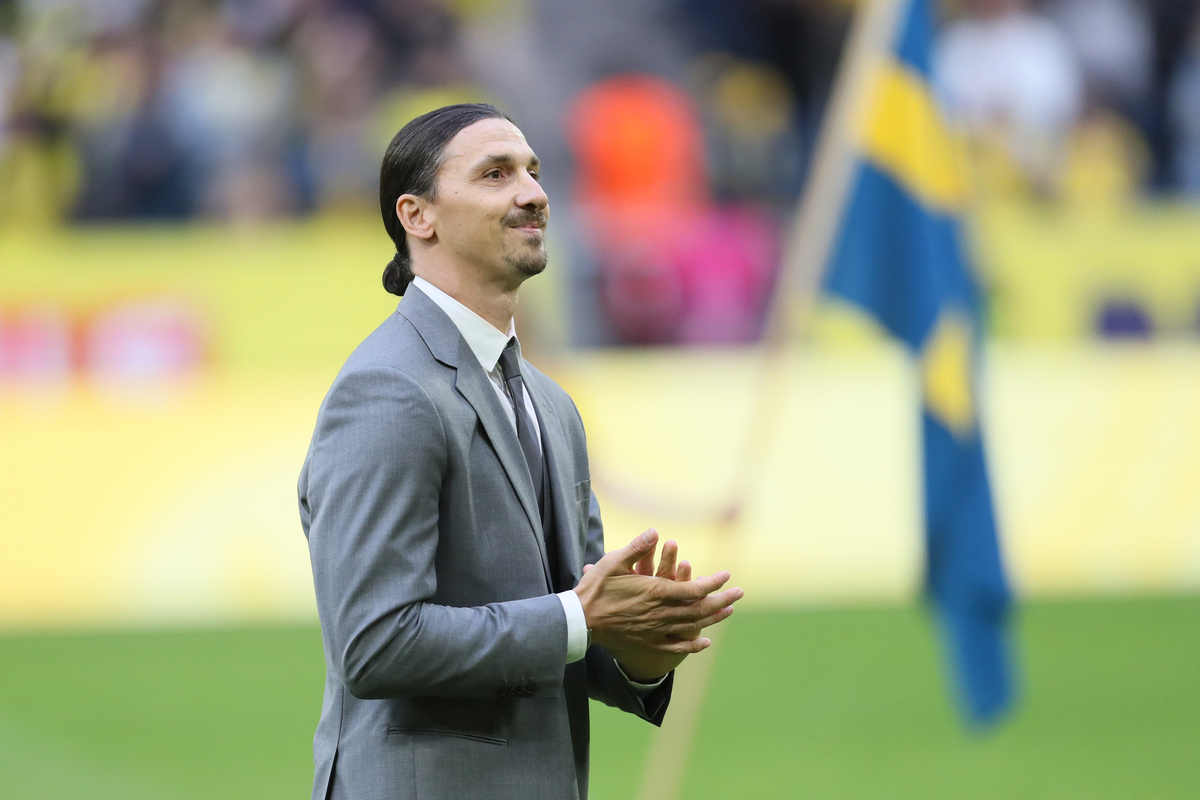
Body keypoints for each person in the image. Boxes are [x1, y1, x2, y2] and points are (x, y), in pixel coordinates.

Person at [297, 103, 742, 800]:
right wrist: (581, 618)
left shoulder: (550, 403)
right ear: (418, 216)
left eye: (533, 172)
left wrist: (635, 653)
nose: (533, 192)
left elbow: (565, 629)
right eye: (495, 174)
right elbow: (376, 643)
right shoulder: (387, 391)